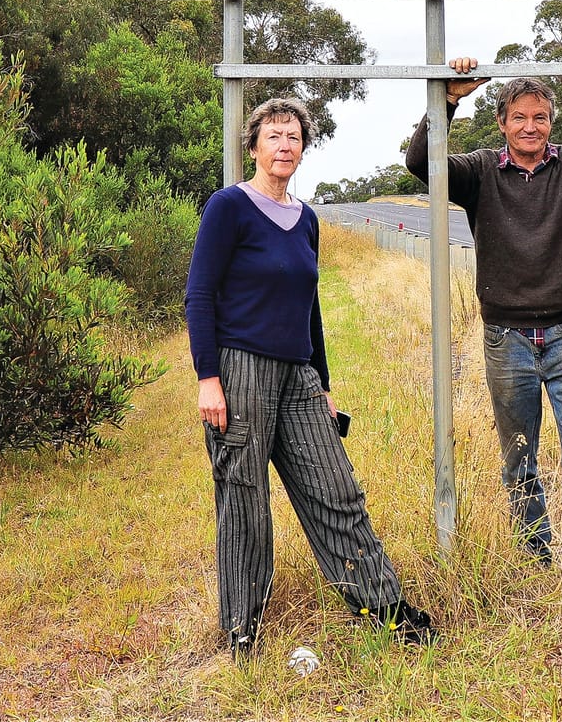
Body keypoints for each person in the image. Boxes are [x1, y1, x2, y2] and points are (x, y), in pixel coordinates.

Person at [185, 97, 435, 661]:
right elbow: (199, 294)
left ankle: (383, 607)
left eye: (293, 136)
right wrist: (208, 377)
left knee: (336, 489)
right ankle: (241, 629)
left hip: (297, 373)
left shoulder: (308, 219)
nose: (284, 145)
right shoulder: (229, 207)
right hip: (240, 365)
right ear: (253, 146)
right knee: (244, 498)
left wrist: (322, 381)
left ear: (304, 147)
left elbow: (311, 306)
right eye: (273, 135)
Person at [405, 57, 562, 565]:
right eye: (520, 118)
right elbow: (421, 163)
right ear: (502, 122)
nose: (531, 127)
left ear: (552, 122)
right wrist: (447, 99)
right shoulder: (479, 171)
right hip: (505, 337)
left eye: (541, 118)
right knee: (518, 457)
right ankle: (535, 556)